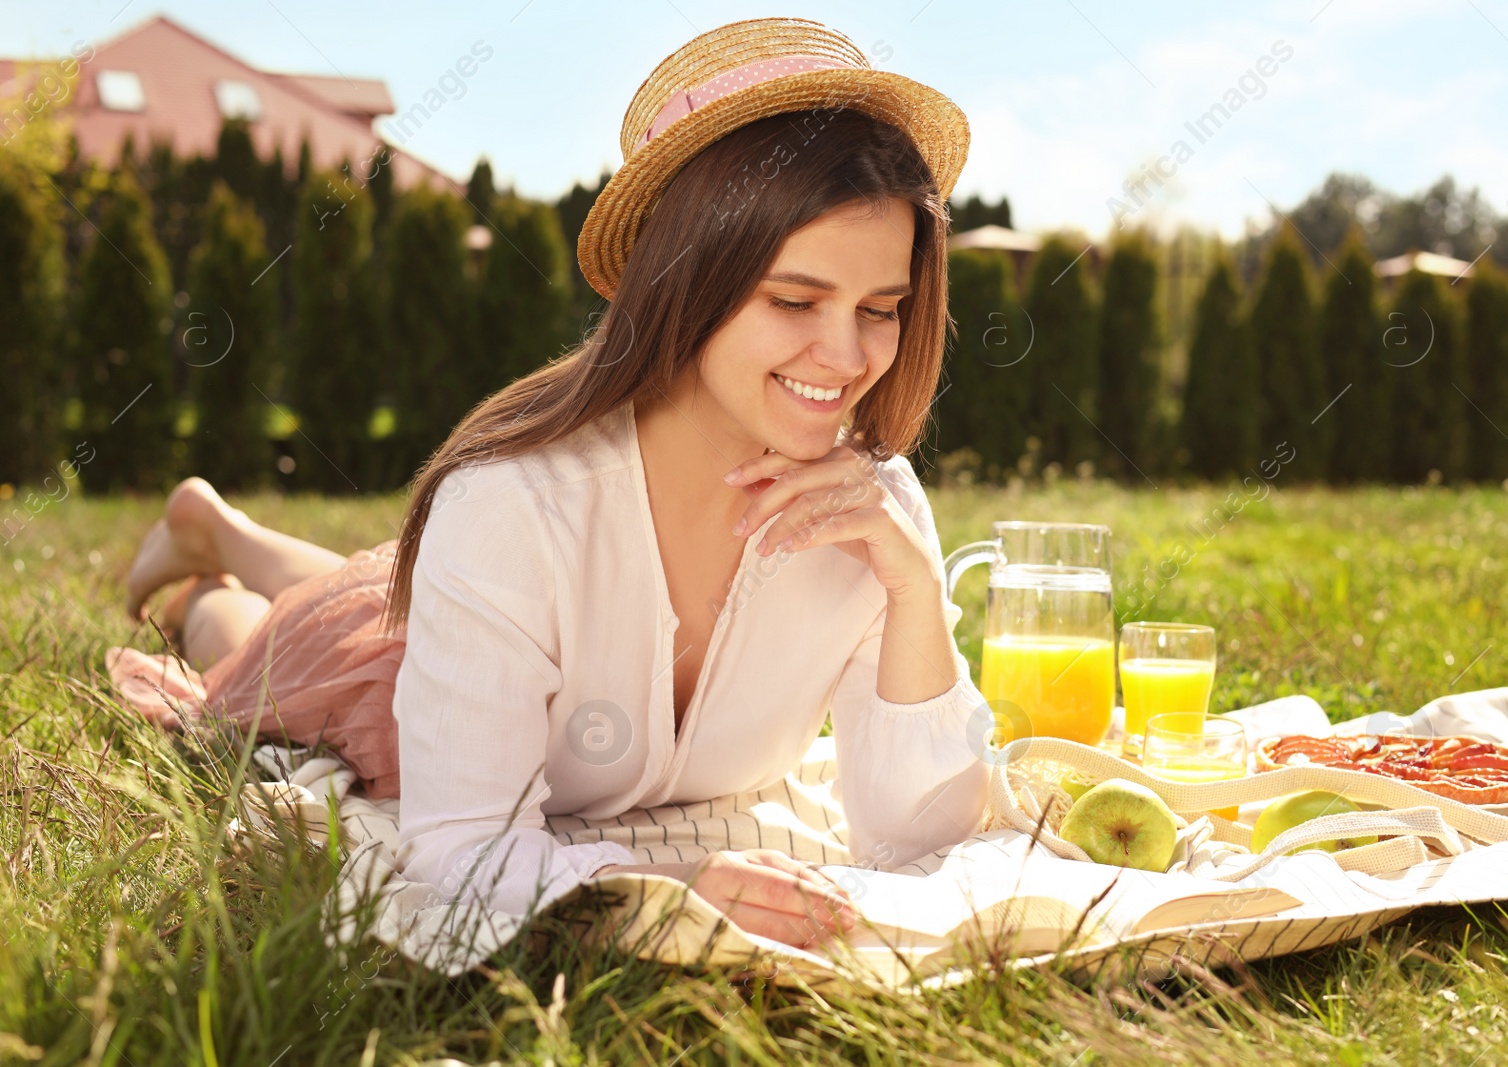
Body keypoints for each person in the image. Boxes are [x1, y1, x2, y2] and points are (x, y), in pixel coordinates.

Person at [104, 15, 993, 951]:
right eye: (794, 300)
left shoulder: (874, 515)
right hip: (391, 680)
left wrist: (916, 592)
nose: (849, 355)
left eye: (882, 309)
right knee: (261, 653)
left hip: (462, 603)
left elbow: (918, 839)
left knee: (376, 586)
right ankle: (210, 569)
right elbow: (462, 849)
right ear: (684, 280)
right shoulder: (510, 508)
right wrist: (669, 883)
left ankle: (219, 529)